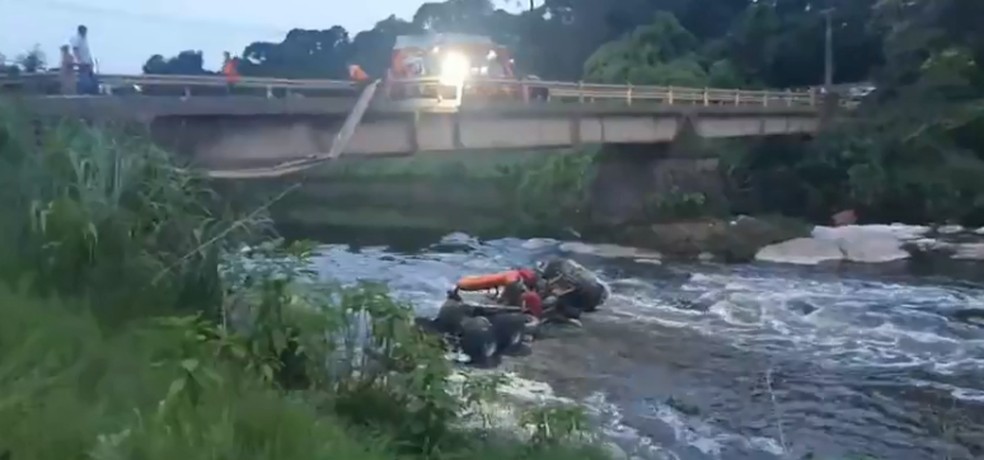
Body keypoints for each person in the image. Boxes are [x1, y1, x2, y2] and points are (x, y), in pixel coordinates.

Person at [70, 25, 96, 94]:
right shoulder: (77, 39)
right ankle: (84, 92)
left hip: (87, 61)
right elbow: (75, 50)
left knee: (91, 78)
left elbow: (87, 51)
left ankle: (90, 92)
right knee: (84, 78)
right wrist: (79, 61)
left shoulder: (84, 39)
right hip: (82, 62)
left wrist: (91, 61)